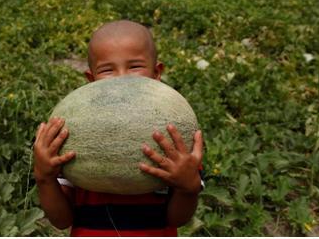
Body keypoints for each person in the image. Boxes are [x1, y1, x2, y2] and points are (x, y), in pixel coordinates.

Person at [34, 20, 203, 236]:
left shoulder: (174, 137)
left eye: (134, 67)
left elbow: (177, 219)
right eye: (107, 70)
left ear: (156, 72)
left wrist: (187, 188)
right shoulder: (73, 133)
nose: (122, 78)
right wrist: (45, 178)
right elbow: (61, 220)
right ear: (91, 79)